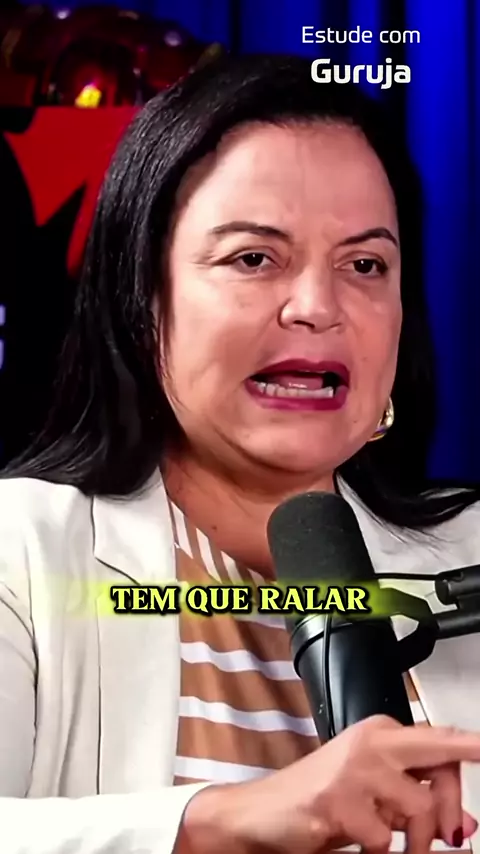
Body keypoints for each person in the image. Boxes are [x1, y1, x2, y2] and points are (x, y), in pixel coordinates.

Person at [1, 52, 480, 854]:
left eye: (365, 265)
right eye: (254, 258)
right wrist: (230, 818)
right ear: (142, 299)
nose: (317, 307)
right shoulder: (20, 550)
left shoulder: (469, 555)